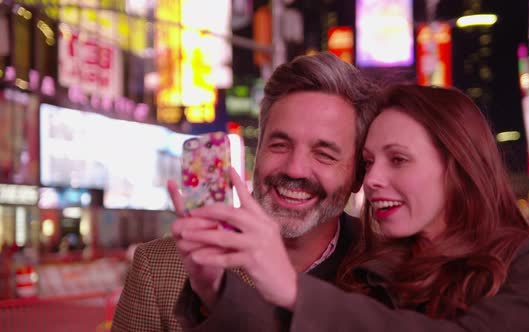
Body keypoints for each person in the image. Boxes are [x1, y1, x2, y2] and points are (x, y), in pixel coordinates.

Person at [179, 84, 529, 331]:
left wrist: (294, 290)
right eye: (368, 161)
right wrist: (212, 288)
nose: (372, 179)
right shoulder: (372, 265)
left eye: (397, 159)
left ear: (457, 167)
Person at [111, 51, 378, 331]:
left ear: (358, 175)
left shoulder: (391, 271)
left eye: (324, 154)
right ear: (258, 150)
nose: (295, 169)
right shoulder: (159, 270)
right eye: (279, 145)